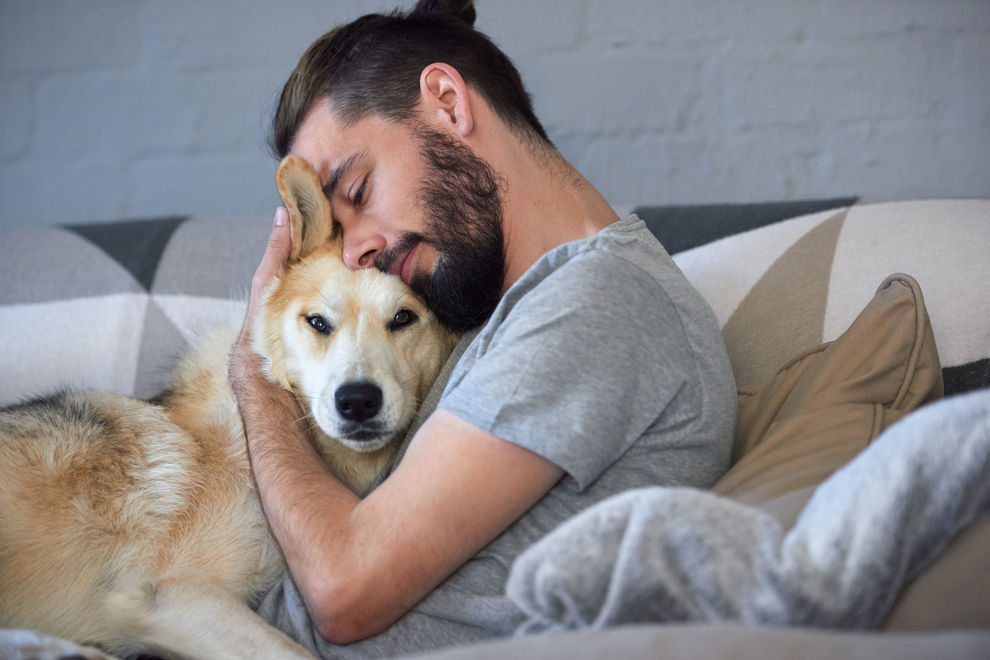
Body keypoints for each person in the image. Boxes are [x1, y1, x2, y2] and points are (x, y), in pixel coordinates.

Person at [228, 1, 737, 657]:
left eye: (356, 191)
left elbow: (343, 590)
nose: (353, 253)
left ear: (447, 103)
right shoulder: (501, 306)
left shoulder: (598, 301)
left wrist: (253, 369)